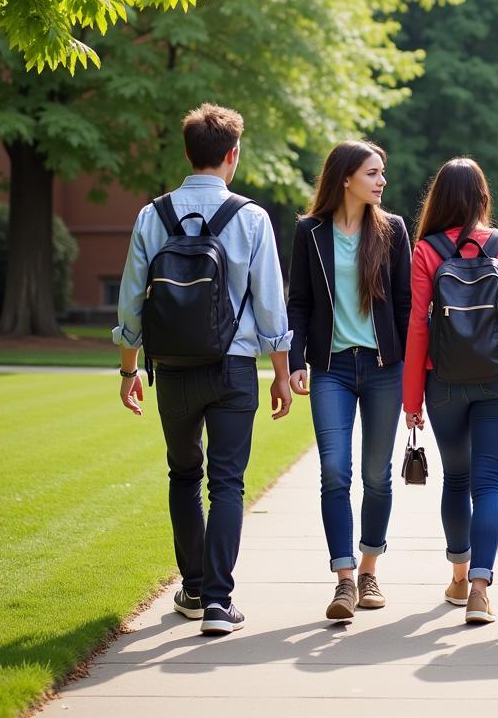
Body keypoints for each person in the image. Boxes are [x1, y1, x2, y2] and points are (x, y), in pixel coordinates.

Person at [114, 103, 294, 636]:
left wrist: (128, 371)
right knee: (228, 483)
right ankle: (218, 602)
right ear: (232, 155)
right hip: (234, 368)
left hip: (171, 368)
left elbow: (130, 302)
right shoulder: (251, 217)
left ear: (188, 152)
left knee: (184, 475)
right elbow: (270, 305)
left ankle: (192, 589)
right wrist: (282, 372)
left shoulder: (153, 215)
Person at [287, 141, 411, 622]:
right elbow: (299, 302)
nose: (381, 181)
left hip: (383, 370)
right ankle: (343, 581)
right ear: (345, 178)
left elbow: (403, 305)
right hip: (331, 369)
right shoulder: (309, 232)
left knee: (377, 475)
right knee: (335, 471)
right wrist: (296, 358)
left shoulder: (394, 230)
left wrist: (407, 367)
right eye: (373, 173)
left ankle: (368, 569)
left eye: (382, 173)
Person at [404, 158, 498, 625]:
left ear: (438, 199)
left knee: (456, 479)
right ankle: (480, 588)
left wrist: (411, 397)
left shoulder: (427, 251)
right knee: (489, 484)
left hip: (444, 383)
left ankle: (458, 577)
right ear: (483, 198)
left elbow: (418, 326)